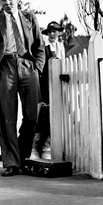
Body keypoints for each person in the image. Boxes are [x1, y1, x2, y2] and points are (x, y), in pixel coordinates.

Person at [0, 0, 46, 176]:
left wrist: (37, 68)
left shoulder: (29, 18)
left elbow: (39, 46)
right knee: (7, 117)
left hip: (27, 65)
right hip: (6, 67)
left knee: (32, 116)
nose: (7, 2)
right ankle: (11, 163)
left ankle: (21, 155)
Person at [31, 20, 66, 160]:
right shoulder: (43, 47)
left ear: (59, 33)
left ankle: (49, 145)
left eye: (54, 31)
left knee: (56, 115)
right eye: (50, 32)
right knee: (43, 114)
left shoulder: (61, 47)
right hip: (44, 84)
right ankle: (36, 147)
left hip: (58, 83)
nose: (52, 34)